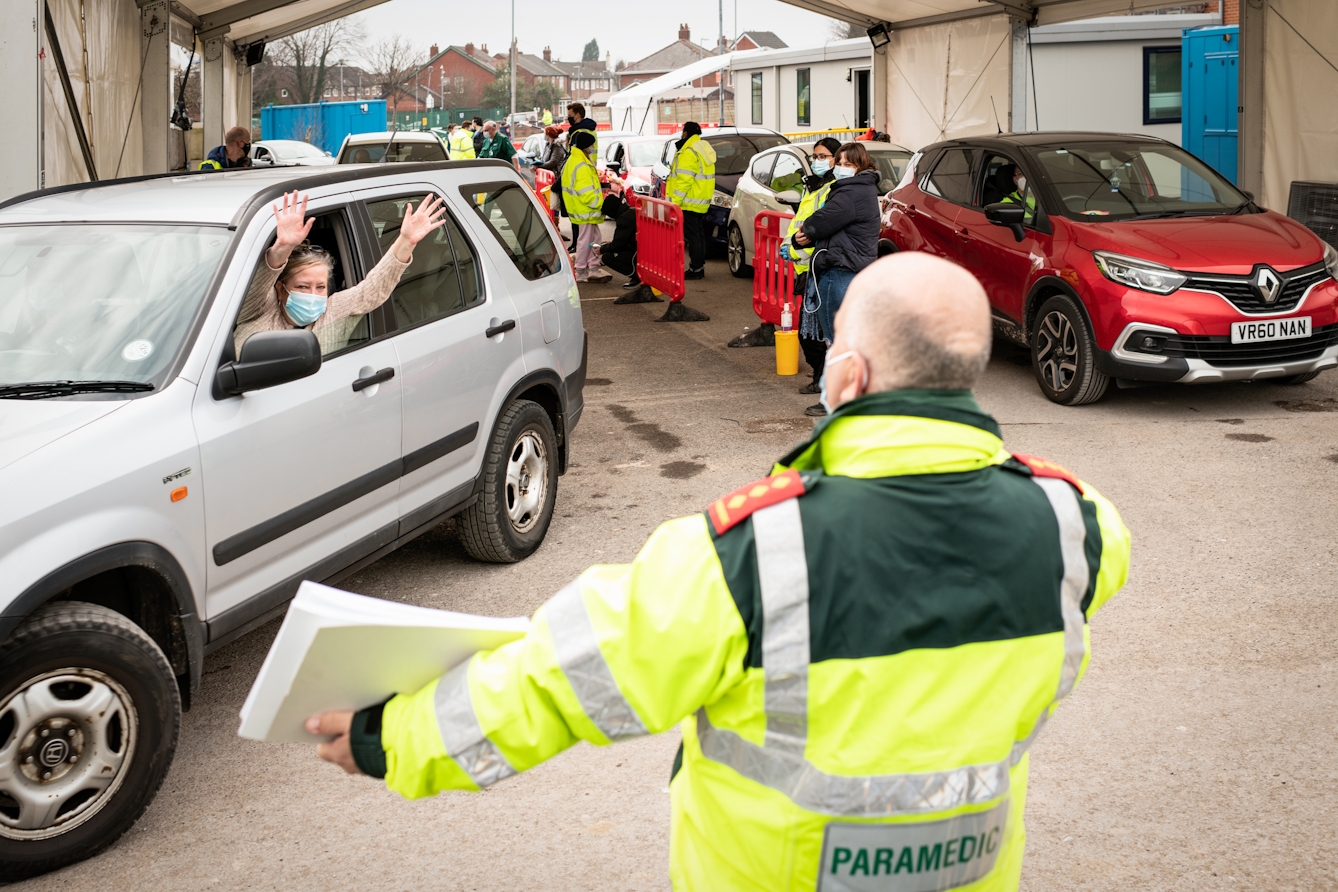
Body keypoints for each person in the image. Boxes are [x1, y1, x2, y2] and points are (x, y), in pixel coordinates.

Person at [307, 251, 1131, 892]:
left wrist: (396, 739)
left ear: (850, 376)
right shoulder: (1074, 523)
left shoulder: (750, 553)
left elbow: (561, 677)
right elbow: (1085, 560)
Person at [232, 190, 447, 356]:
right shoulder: (260, 309)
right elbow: (256, 287)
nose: (312, 296)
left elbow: (372, 290)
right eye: (302, 287)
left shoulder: (332, 310)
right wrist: (282, 248)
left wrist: (405, 242)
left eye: (320, 287)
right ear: (280, 289)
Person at [793, 142, 880, 415]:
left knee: (837, 340)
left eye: (848, 164)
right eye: (839, 162)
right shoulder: (861, 190)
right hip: (850, 269)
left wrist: (804, 232)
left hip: (840, 270)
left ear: (861, 167)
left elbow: (820, 222)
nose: (841, 168)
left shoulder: (850, 193)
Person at [785, 137, 841, 395]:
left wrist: (797, 251)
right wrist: (788, 245)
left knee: (816, 333)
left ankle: (824, 380)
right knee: (812, 332)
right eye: (814, 157)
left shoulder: (835, 189)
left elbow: (817, 231)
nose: (817, 161)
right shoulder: (813, 186)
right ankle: (822, 378)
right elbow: (798, 224)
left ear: (836, 158)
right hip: (807, 271)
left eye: (822, 156)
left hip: (818, 267)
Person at [666, 121, 715, 280]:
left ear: (686, 133)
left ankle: (696, 269)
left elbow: (684, 180)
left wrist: (675, 202)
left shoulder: (688, 151)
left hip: (688, 202)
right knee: (698, 235)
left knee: (693, 237)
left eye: (683, 131)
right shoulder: (703, 148)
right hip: (701, 200)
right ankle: (699, 265)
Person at [561, 130, 609, 283]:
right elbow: (585, 191)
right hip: (587, 209)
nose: (593, 147)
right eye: (591, 145)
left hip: (583, 209)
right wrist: (599, 204)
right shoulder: (581, 164)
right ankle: (581, 270)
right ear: (586, 146)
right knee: (586, 240)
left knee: (593, 238)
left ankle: (592, 267)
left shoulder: (575, 160)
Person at [593, 179, 639, 287]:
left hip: (638, 253)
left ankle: (636, 275)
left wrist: (602, 249)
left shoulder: (624, 219)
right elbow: (624, 239)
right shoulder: (631, 212)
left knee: (607, 257)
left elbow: (617, 245)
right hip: (644, 248)